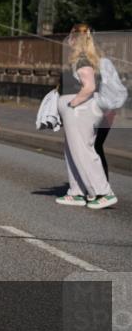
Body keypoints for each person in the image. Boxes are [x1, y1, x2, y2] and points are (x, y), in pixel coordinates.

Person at [55, 24, 117, 209]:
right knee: (74, 152)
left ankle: (104, 191)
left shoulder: (82, 60)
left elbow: (88, 86)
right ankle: (77, 192)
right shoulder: (82, 59)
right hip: (79, 112)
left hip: (81, 111)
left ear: (75, 39)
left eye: (70, 37)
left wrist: (72, 104)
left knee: (83, 152)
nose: (68, 41)